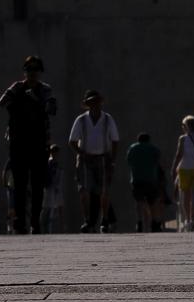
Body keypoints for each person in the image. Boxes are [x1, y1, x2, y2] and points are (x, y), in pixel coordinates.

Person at [0, 56, 54, 234]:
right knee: (20, 185)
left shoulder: (44, 90)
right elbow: (3, 101)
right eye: (30, 69)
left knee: (38, 185)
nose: (32, 73)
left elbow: (51, 108)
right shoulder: (17, 88)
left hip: (38, 143)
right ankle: (20, 221)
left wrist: (37, 101)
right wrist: (18, 105)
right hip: (19, 143)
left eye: (36, 70)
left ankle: (35, 221)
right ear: (25, 71)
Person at [68, 90, 120, 233]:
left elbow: (115, 140)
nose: (95, 105)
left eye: (97, 102)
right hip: (86, 159)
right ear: (88, 105)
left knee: (104, 191)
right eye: (92, 103)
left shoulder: (108, 119)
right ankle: (87, 221)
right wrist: (81, 153)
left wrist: (112, 161)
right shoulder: (81, 120)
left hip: (103, 158)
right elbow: (72, 141)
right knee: (84, 191)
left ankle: (104, 220)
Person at [172, 115, 194, 232]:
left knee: (185, 194)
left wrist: (173, 168)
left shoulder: (183, 139)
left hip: (185, 168)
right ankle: (193, 219)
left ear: (186, 127)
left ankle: (186, 220)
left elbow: (179, 155)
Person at [126, 132, 162, 234]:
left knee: (139, 202)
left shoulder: (133, 148)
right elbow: (158, 160)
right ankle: (155, 223)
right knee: (152, 202)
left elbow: (129, 161)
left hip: (137, 179)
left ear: (138, 139)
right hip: (151, 179)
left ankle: (139, 223)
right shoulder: (153, 148)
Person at [42, 144, 64, 233]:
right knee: (48, 209)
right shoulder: (50, 163)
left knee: (57, 209)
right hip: (50, 188)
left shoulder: (56, 163)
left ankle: (58, 229)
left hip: (56, 188)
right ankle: (47, 229)